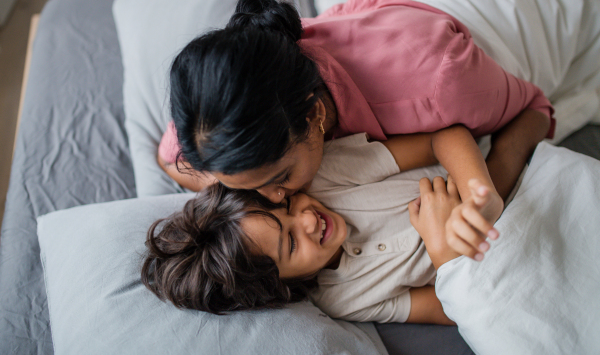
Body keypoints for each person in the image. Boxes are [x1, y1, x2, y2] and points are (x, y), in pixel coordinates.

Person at [158, 0, 553, 241]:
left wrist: (485, 190)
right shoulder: (215, 113)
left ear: (314, 114)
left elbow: (535, 108)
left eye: (279, 179)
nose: (274, 200)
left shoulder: (441, 84)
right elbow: (169, 158)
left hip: (490, 4)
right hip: (372, 11)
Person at [142, 132, 504, 325]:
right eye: (291, 243)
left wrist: (477, 197)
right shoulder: (340, 301)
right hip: (496, 258)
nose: (308, 220)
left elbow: (442, 138)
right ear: (281, 285)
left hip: (486, 173)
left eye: (285, 205)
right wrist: (444, 255)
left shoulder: (324, 178)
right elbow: (451, 310)